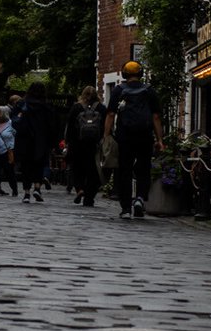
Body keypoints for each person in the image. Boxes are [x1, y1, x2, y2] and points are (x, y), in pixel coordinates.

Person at [105, 60, 163, 219]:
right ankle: (140, 198)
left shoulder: (118, 90)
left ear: (124, 74)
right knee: (144, 167)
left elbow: (110, 114)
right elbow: (156, 116)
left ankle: (125, 208)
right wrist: (160, 139)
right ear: (140, 74)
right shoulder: (149, 91)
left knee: (125, 170)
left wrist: (106, 135)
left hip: (124, 136)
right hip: (145, 136)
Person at [12, 82, 56, 203]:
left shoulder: (22, 104)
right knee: (39, 165)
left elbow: (14, 120)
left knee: (26, 167)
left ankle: (26, 193)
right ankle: (37, 187)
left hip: (24, 140)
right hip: (41, 140)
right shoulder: (46, 106)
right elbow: (52, 125)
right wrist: (52, 143)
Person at [64, 85, 104, 206]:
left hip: (77, 143)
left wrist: (68, 142)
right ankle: (89, 197)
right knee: (93, 170)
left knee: (77, 168)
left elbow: (69, 126)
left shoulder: (76, 108)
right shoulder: (101, 108)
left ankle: (80, 189)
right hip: (94, 145)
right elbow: (106, 125)